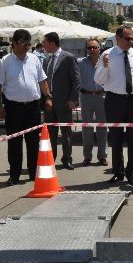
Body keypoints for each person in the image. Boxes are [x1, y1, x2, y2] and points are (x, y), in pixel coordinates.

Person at [0, 29, 51, 186]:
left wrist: (48, 96)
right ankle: (14, 175)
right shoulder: (4, 61)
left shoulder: (34, 59)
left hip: (33, 107)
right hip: (13, 108)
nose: (27, 47)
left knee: (33, 143)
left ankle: (33, 173)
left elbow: (42, 80)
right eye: (25, 44)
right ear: (15, 43)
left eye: (29, 44)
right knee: (14, 143)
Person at [95, 26, 133, 186]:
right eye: (127, 38)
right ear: (118, 38)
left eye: (132, 38)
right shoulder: (106, 55)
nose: (131, 41)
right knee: (115, 137)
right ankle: (118, 172)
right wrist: (104, 66)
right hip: (114, 100)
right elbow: (99, 80)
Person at [42, 32, 80, 170]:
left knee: (66, 133)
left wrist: (73, 99)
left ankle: (67, 159)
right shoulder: (47, 59)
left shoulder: (68, 58)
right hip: (49, 103)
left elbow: (76, 80)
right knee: (50, 133)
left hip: (65, 103)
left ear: (52, 43)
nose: (43, 45)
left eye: (45, 42)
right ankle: (51, 159)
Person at [78, 38, 108, 166]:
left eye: (94, 47)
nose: (92, 50)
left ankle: (102, 156)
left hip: (102, 97)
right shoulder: (80, 62)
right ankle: (87, 156)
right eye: (89, 48)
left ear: (99, 49)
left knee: (102, 128)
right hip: (86, 97)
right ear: (87, 49)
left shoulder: (105, 62)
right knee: (87, 128)